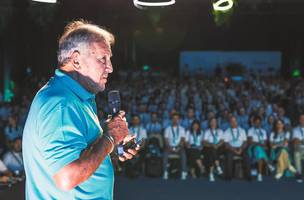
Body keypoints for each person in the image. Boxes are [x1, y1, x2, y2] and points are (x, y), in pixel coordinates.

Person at [22, 20, 138, 200]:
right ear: (76, 60)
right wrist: (109, 138)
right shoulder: (61, 104)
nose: (110, 68)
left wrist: (110, 147)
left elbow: (79, 153)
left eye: (110, 59)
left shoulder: (74, 97)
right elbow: (67, 177)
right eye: (102, 59)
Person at [223, 116, 251, 181]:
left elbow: (245, 142)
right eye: (232, 121)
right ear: (229, 123)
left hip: (241, 148)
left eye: (234, 121)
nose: (233, 123)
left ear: (237, 122)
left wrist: (241, 149)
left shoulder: (242, 130)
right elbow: (226, 144)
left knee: (247, 156)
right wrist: (234, 150)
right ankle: (229, 176)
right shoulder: (227, 131)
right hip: (231, 148)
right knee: (228, 156)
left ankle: (248, 175)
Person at [247, 116, 273, 182]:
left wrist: (260, 144)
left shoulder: (263, 131)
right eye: (256, 122)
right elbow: (250, 142)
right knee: (258, 148)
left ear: (261, 123)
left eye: (259, 123)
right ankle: (268, 164)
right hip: (252, 148)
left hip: (261, 148)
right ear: (254, 123)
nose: (257, 124)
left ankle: (259, 175)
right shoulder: (250, 130)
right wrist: (259, 144)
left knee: (259, 153)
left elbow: (265, 143)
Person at [163, 112, 188, 180]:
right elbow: (166, 140)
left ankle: (183, 172)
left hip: (179, 147)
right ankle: (165, 172)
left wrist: (178, 147)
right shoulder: (167, 129)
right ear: (171, 120)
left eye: (177, 119)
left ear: (179, 120)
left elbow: (182, 140)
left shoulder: (182, 129)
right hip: (169, 147)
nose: (175, 120)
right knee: (165, 154)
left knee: (183, 154)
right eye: (174, 119)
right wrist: (170, 148)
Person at [203, 117, 225, 182]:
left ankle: (211, 174)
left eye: (215, 122)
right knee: (211, 151)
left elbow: (222, 141)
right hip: (209, 147)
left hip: (219, 148)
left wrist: (217, 145)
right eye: (212, 122)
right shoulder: (207, 131)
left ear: (216, 123)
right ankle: (218, 168)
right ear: (209, 123)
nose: (213, 123)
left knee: (212, 152)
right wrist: (212, 145)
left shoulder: (220, 131)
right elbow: (204, 142)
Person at [292, 113, 304, 182]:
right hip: (299, 148)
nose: (303, 120)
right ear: (299, 120)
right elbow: (295, 142)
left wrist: (300, 140)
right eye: (301, 119)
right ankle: (299, 174)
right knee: (297, 153)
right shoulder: (295, 130)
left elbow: (298, 140)